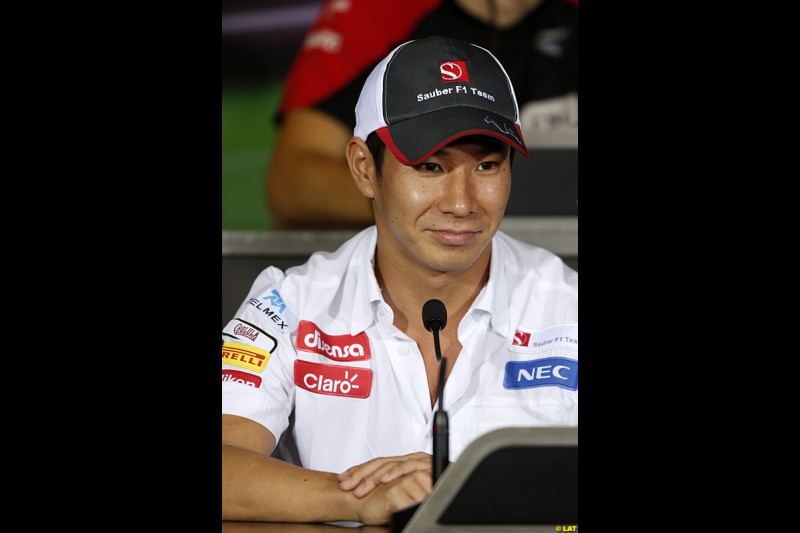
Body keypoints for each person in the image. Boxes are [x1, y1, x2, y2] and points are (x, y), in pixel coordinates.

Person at [222, 36, 578, 525]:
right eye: (430, 166)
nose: (461, 202)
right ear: (365, 169)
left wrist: (471, 492)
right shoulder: (289, 305)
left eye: (487, 165)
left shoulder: (569, 306)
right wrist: (359, 499)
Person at [266, 0, 578, 229]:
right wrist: (434, 209)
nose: (461, 203)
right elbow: (293, 184)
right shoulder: (381, 10)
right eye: (429, 165)